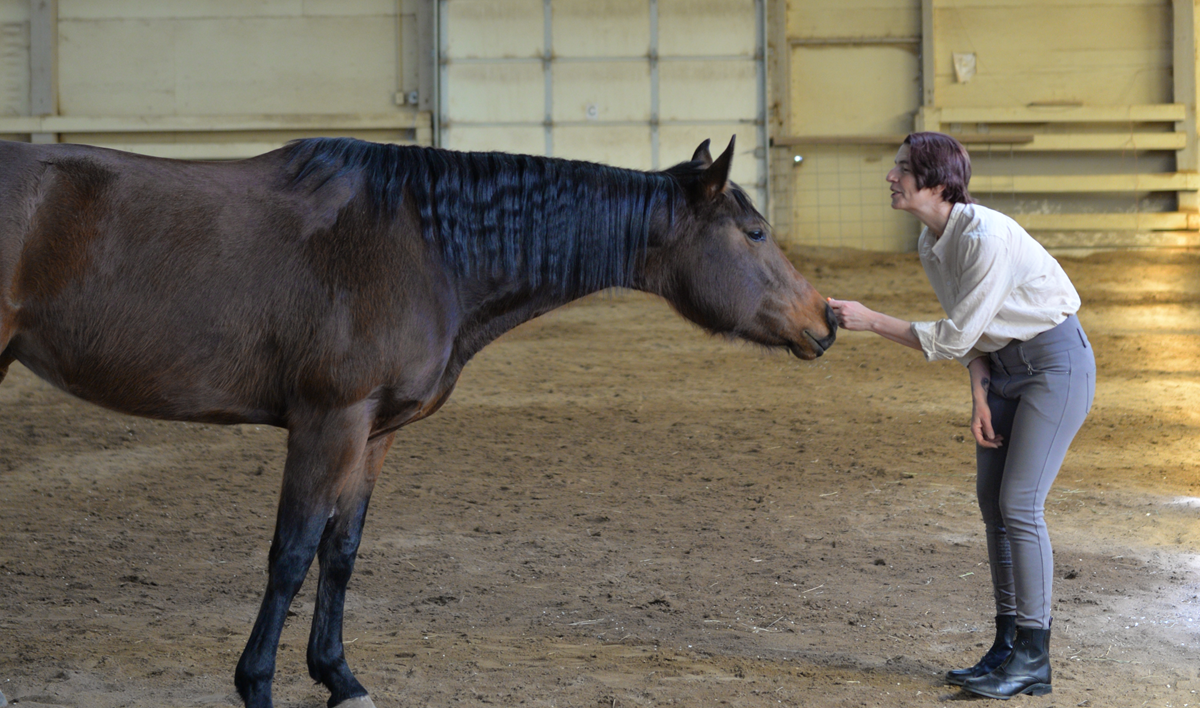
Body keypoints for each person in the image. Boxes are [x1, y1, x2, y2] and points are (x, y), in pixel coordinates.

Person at [828, 132, 1095, 699]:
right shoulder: (932, 243)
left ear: (937, 182)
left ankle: (1034, 659)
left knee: (1020, 505)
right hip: (1000, 369)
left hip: (1055, 366)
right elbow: (971, 338)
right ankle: (1005, 647)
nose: (891, 177)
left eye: (902, 168)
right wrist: (980, 392)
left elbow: (952, 336)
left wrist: (872, 320)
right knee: (992, 507)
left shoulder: (984, 237)